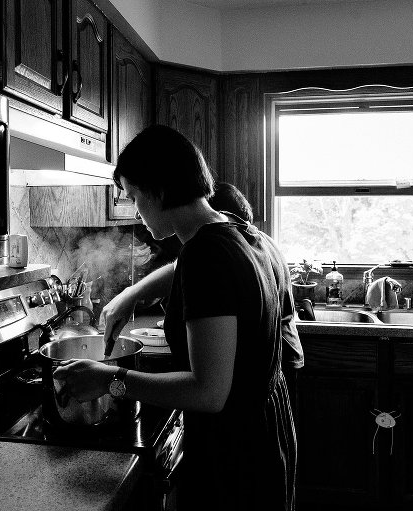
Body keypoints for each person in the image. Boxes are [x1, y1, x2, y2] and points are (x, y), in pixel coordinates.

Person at [54, 125, 296, 509]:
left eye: (134, 197)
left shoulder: (206, 255)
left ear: (159, 190)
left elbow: (208, 392)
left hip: (234, 451)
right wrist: (133, 293)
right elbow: (190, 265)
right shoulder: (246, 234)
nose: (135, 209)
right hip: (267, 431)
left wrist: (110, 380)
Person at [209, 182, 304, 414]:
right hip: (284, 352)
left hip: (278, 355)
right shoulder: (261, 240)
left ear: (223, 218)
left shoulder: (237, 246)